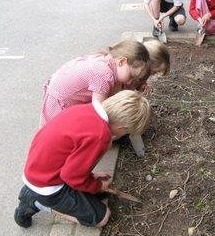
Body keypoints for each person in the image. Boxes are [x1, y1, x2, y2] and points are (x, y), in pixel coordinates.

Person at [14, 90, 151, 228]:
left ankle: (41, 196)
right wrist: (97, 186)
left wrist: (91, 176)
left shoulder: (86, 109)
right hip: (47, 185)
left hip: (38, 169)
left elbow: (70, 157)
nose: (124, 135)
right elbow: (71, 176)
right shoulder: (100, 136)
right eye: (126, 132)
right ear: (122, 127)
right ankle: (37, 202)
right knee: (102, 218)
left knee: (97, 195)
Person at [39, 40, 150, 127]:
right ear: (122, 61)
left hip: (58, 95)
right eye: (131, 76)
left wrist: (132, 87)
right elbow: (100, 112)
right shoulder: (104, 75)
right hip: (60, 108)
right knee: (61, 139)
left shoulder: (105, 60)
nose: (130, 81)